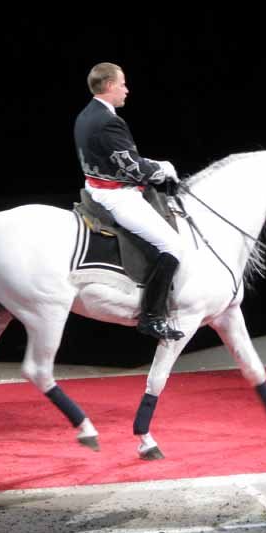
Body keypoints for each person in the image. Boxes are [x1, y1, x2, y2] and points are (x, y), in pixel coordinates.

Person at [74, 62, 184, 341]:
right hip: (116, 195)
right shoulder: (109, 121)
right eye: (122, 84)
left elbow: (117, 159)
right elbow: (133, 169)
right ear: (109, 86)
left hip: (95, 186)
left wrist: (152, 164)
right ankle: (152, 316)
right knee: (172, 245)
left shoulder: (86, 114)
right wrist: (164, 168)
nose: (127, 89)